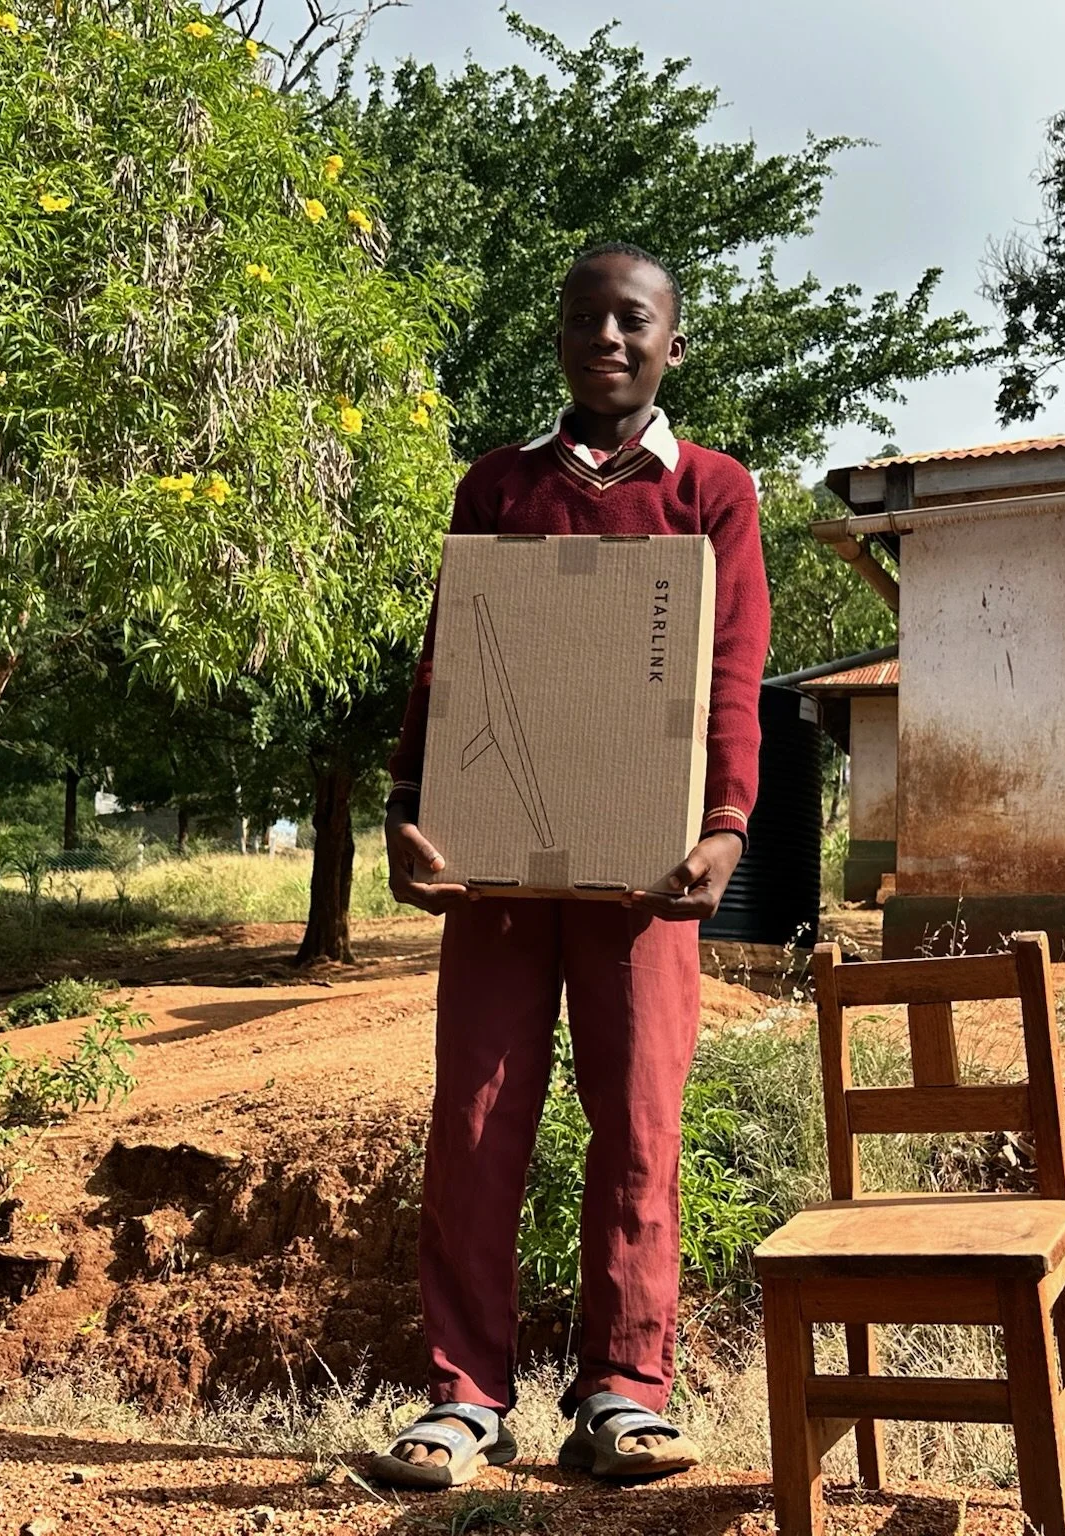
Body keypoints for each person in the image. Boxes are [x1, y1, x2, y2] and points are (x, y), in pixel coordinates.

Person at [369, 242, 770, 1489]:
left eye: (632, 319)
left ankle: (621, 1391)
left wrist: (723, 828)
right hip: (493, 872)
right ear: (557, 339)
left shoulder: (712, 491)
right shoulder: (496, 485)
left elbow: (733, 674)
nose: (607, 336)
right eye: (586, 318)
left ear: (672, 343)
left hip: (643, 874)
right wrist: (405, 807)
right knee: (475, 1125)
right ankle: (461, 1400)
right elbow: (447, 669)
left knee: (639, 1124)